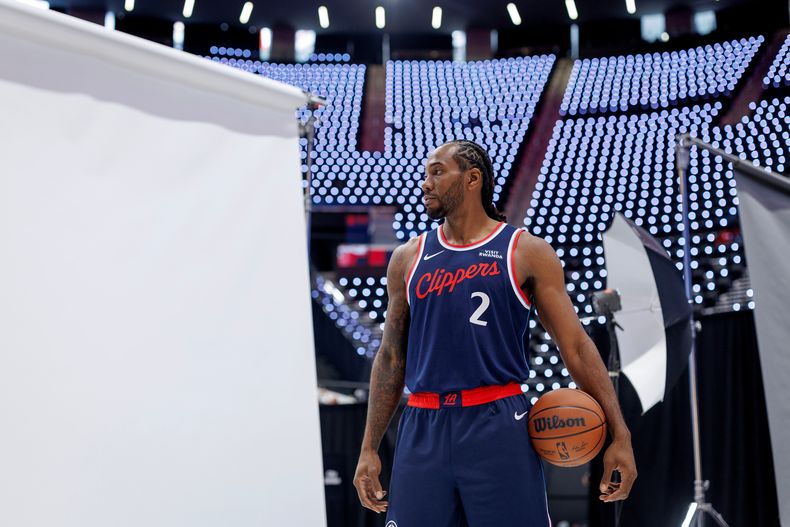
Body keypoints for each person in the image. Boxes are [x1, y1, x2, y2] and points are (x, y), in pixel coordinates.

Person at [353, 140, 637, 526]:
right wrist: (369, 447)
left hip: (498, 422)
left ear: (472, 178)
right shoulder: (407, 257)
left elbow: (576, 347)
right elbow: (390, 357)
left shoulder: (525, 251)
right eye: (425, 174)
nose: (425, 183)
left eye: (437, 172)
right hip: (422, 424)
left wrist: (619, 434)